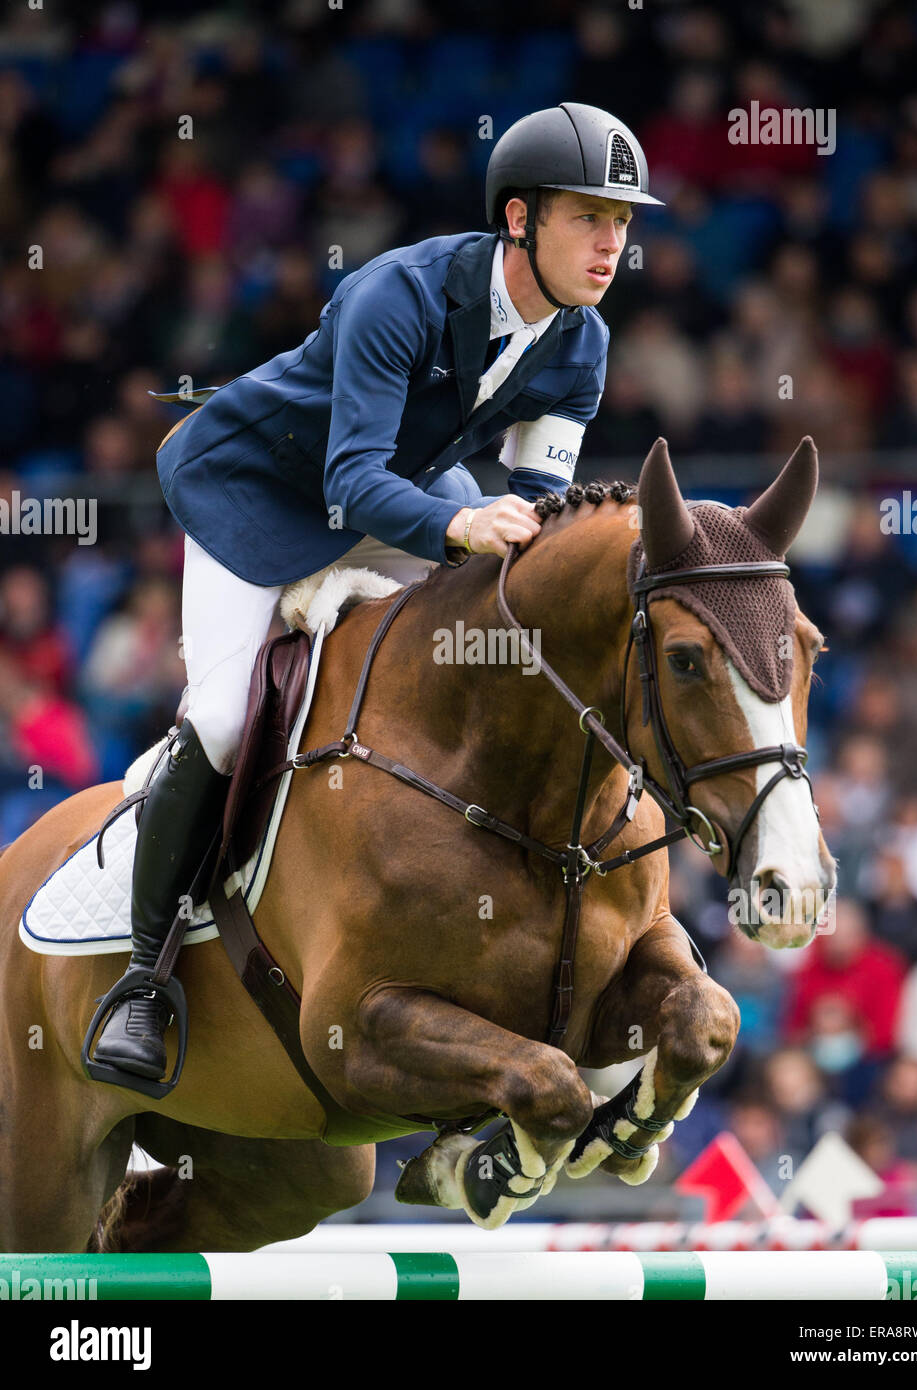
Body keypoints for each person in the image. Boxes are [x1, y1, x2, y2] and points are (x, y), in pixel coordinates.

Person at [89, 102, 664, 1083]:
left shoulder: (581, 345)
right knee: (227, 720)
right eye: (587, 217)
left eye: (623, 222)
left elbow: (533, 501)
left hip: (398, 492)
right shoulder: (396, 295)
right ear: (519, 219)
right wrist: (460, 527)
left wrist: (518, 544)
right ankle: (140, 984)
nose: (613, 244)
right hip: (259, 492)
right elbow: (351, 481)